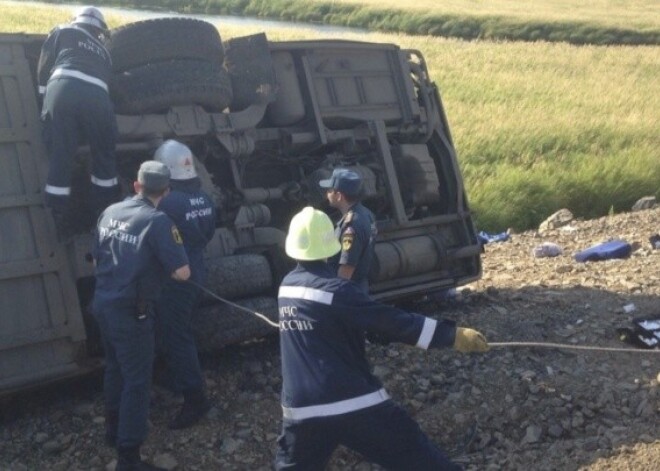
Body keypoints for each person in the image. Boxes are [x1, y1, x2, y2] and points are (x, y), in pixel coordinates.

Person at [274, 207, 489, 471]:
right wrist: (451, 336)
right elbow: (389, 322)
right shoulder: (338, 291)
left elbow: (331, 328)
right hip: (353, 402)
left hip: (301, 411)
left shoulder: (287, 287)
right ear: (330, 245)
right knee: (416, 457)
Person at [92, 160, 190, 471]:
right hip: (131, 313)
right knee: (137, 381)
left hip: (103, 305)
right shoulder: (158, 221)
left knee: (115, 370)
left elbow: (96, 261)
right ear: (167, 190)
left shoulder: (110, 212)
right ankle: (128, 458)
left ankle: (113, 432)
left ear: (136, 185)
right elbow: (183, 273)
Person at [37, 6, 118, 235]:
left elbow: (44, 66)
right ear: (99, 31)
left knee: (61, 152)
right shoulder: (105, 52)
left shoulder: (63, 30)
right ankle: (105, 213)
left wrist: (44, 99)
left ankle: (59, 216)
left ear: (77, 21)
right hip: (98, 98)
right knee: (104, 154)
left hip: (64, 88)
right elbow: (107, 85)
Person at [153, 140, 216, 429]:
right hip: (197, 269)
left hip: (176, 278)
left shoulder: (167, 202)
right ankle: (177, 376)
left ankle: (195, 398)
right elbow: (210, 232)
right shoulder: (204, 198)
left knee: (176, 334)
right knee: (179, 329)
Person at [319, 168, 377, 292]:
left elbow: (346, 271)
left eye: (330, 190)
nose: (327, 194)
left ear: (339, 195)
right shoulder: (367, 214)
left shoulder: (351, 226)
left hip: (349, 292)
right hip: (359, 288)